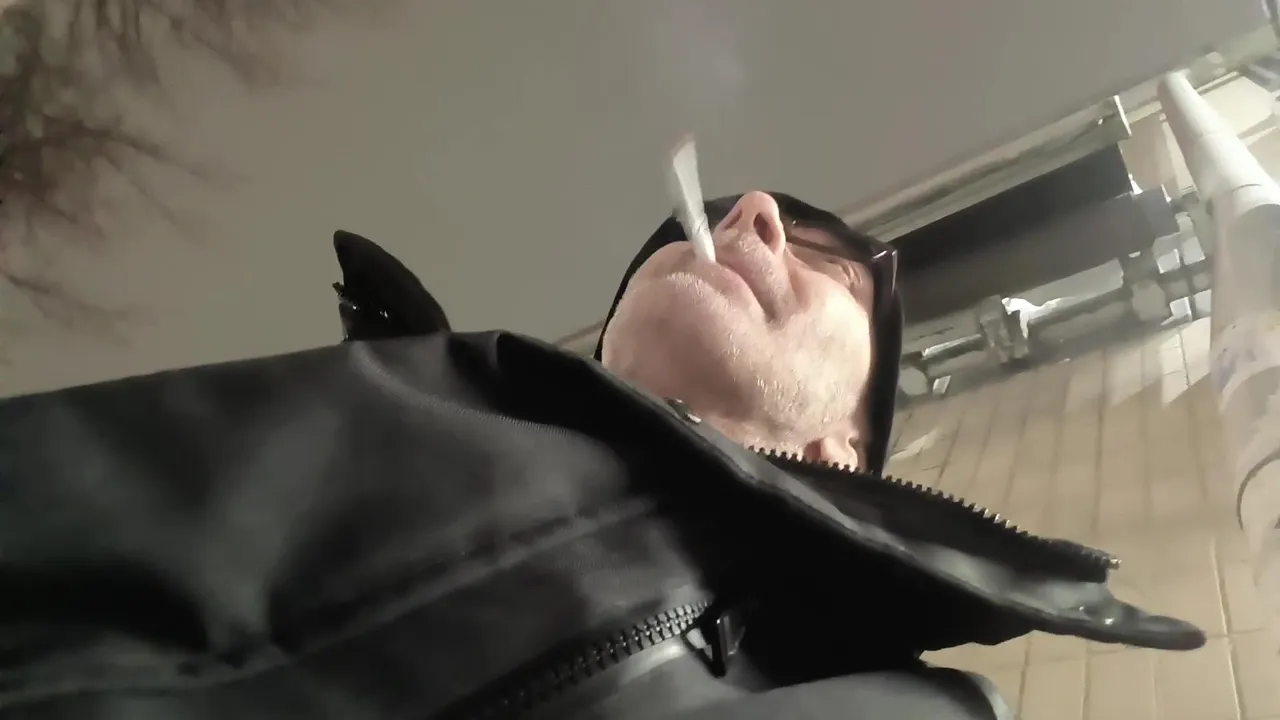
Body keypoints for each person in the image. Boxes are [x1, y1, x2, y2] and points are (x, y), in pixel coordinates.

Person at [0, 191, 1202, 720]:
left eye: (830, 268)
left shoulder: (915, 709)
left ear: (842, 444)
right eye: (719, 221)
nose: (745, 215)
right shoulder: (412, 403)